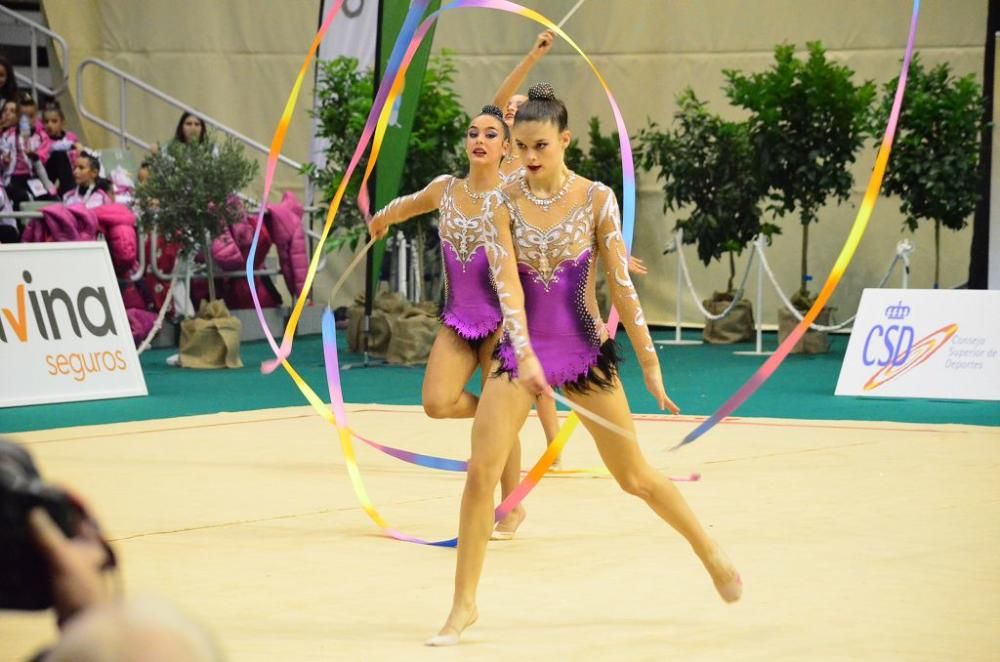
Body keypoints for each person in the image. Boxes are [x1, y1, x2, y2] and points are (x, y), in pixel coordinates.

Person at [427, 83, 742, 647]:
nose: (528, 157)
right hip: (520, 355)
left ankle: (710, 550)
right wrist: (521, 354)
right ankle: (463, 605)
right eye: (519, 146)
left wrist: (649, 364)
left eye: (539, 145)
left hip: (583, 353)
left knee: (635, 477)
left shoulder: (596, 198)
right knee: (480, 474)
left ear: (564, 140)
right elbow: (508, 291)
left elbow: (621, 286)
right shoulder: (503, 201)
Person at [368, 105, 555, 539]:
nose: (479, 140)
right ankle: (498, 414)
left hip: (502, 323)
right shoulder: (446, 189)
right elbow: (408, 205)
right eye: (473, 133)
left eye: (491, 135)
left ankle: (510, 509)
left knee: (496, 415)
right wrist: (382, 219)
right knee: (437, 402)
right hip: (459, 320)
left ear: (507, 148)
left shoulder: (517, 194)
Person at [491, 30, 555, 181]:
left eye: (519, 105)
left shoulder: (538, 158)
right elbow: (499, 101)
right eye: (509, 104)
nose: (511, 108)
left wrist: (535, 56)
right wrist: (532, 56)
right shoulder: (490, 152)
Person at [42, 102, 79, 196]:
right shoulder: (42, 140)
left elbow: (79, 154)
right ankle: (69, 193)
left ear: (62, 123)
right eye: (46, 122)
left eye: (54, 121)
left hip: (71, 174)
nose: (49, 125)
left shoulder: (70, 137)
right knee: (59, 155)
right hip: (50, 176)